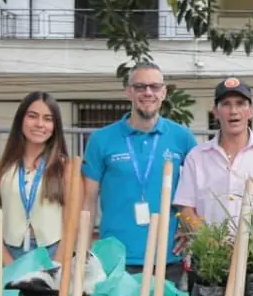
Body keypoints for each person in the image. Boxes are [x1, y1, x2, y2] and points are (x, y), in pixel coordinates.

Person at [82, 61, 197, 282]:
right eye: (140, 86)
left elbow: (198, 189)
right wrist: (83, 251)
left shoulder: (182, 137)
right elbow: (88, 201)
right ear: (128, 91)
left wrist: (190, 227)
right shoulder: (101, 139)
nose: (148, 92)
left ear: (164, 92)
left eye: (154, 87)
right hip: (115, 259)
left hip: (167, 258)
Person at [173, 76, 253, 237]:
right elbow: (186, 208)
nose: (233, 111)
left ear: (251, 111)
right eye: (226, 104)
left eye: (240, 103)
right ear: (215, 111)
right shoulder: (197, 156)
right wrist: (212, 244)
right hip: (211, 256)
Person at [0, 91, 70, 265]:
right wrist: (9, 264)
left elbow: (71, 225)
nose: (39, 124)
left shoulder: (66, 168)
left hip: (52, 254)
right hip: (9, 253)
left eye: (48, 119)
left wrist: (55, 267)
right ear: (21, 120)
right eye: (32, 116)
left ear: (55, 126)